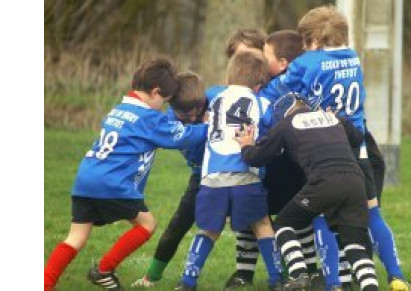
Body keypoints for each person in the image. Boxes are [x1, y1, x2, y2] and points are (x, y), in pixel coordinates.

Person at [262, 6, 411, 290]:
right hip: (358, 145)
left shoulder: (307, 63)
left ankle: (333, 282)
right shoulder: (353, 57)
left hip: (327, 148)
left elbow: (279, 88)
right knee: (372, 214)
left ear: (315, 41)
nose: (304, 47)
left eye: (306, 41)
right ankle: (396, 276)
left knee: (322, 215)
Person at [43, 58, 208, 291]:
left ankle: (44, 284)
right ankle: (104, 270)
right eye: (165, 101)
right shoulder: (148, 118)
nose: (164, 107)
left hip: (85, 179)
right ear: (155, 92)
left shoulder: (118, 109)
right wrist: (211, 126)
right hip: (112, 183)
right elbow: (183, 136)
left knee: (75, 239)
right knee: (147, 224)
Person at [235, 93, 379, 291]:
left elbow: (258, 158)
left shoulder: (286, 124)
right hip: (355, 183)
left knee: (284, 223)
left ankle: (298, 273)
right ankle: (371, 286)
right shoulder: (331, 117)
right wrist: (338, 118)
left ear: (283, 113)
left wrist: (246, 147)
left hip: (323, 183)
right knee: (354, 245)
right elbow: (357, 138)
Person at [177, 51, 284, 291]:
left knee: (209, 229)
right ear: (258, 86)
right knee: (262, 224)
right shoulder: (261, 101)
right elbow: (273, 130)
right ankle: (276, 279)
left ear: (229, 76)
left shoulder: (214, 99)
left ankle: (187, 280)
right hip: (246, 176)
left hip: (212, 178)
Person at [132, 72, 208, 288]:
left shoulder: (213, 102)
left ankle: (285, 275)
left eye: (197, 114)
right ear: (172, 106)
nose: (193, 120)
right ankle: (151, 278)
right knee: (177, 225)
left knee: (258, 223)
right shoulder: (165, 121)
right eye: (187, 117)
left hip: (229, 173)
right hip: (200, 177)